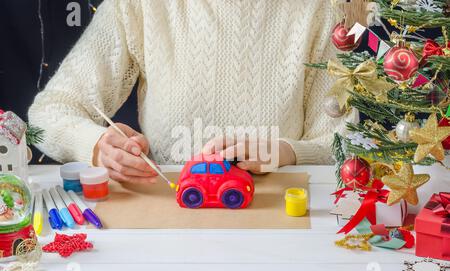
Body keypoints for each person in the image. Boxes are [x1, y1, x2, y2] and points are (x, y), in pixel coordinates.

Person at [29, 0, 358, 184]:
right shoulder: (138, 6)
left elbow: (345, 144)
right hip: (170, 223)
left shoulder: (320, 10)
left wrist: (284, 152)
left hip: (283, 222)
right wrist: (97, 146)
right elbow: (48, 114)